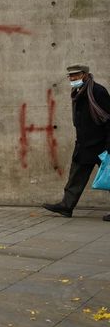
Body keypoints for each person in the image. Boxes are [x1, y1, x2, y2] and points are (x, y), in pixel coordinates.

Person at [43, 64, 110, 221]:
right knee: (76, 175)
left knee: (108, 176)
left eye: (76, 75)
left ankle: (66, 205)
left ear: (85, 75)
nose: (72, 79)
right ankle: (66, 206)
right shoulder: (77, 92)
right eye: (70, 76)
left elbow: (108, 118)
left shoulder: (97, 91)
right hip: (84, 144)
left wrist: (108, 146)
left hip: (101, 144)